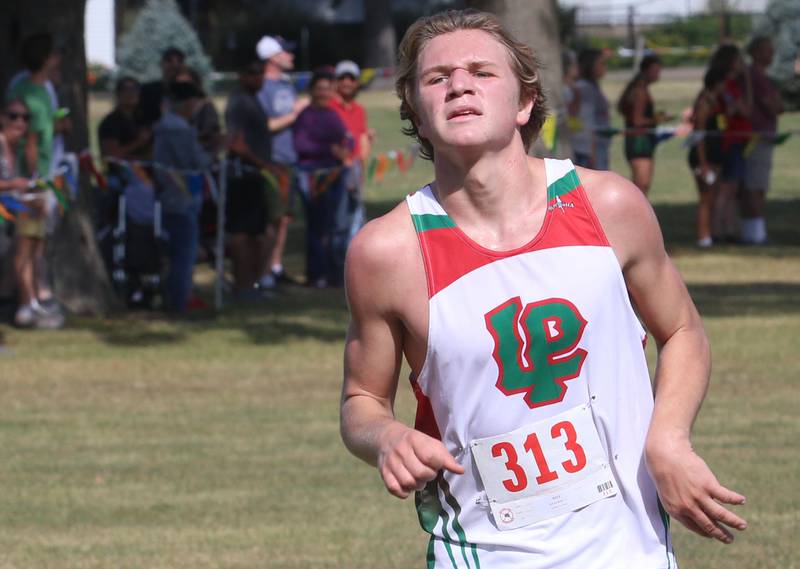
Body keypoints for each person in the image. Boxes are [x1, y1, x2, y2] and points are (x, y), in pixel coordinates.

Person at [340, 10, 747, 568]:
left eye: (482, 72)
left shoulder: (608, 206)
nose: (459, 83)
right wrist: (386, 438)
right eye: (437, 78)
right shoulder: (386, 251)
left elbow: (682, 330)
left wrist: (670, 438)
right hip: (484, 552)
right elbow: (362, 402)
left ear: (525, 102)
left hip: (631, 548)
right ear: (417, 111)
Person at [6, 33, 64, 325]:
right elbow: (30, 142)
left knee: (34, 241)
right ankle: (25, 305)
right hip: (30, 179)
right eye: (54, 54)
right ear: (45, 58)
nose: (59, 58)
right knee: (26, 242)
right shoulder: (31, 94)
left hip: (36, 175)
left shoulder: (37, 90)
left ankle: (33, 299)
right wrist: (36, 183)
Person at [0, 99, 60, 329]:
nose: (19, 122)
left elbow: (28, 182)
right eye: (13, 116)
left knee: (31, 243)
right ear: (2, 117)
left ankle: (29, 303)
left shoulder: (20, 147)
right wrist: (15, 184)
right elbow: (13, 185)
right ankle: (28, 303)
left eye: (25, 118)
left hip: (12, 215)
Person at [255, 35, 308, 288]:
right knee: (272, 220)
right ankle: (262, 272)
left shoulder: (287, 86)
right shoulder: (261, 88)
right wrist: (295, 113)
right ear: (272, 57)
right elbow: (264, 126)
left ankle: (275, 267)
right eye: (286, 52)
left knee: (284, 218)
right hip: (272, 162)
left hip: (290, 160)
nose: (291, 56)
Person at [153, 81, 210, 313]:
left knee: (180, 252)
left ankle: (180, 296)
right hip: (179, 198)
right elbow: (194, 162)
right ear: (188, 103)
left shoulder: (167, 126)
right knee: (183, 254)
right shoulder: (178, 129)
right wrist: (216, 150)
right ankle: (180, 300)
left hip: (174, 197)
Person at [293, 69, 350, 288]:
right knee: (317, 227)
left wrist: (345, 149)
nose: (324, 93)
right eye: (320, 89)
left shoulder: (331, 114)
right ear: (312, 91)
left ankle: (334, 273)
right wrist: (330, 149)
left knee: (334, 226)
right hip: (312, 176)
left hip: (335, 174)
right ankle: (316, 274)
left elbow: (347, 138)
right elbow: (300, 145)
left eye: (328, 89)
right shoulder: (305, 116)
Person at [224, 59, 273, 299]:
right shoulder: (239, 102)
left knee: (257, 234)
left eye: (260, 73)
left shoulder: (252, 99)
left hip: (254, 176)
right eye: (252, 72)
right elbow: (235, 143)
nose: (258, 77)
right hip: (242, 176)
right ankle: (242, 286)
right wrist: (265, 165)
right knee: (242, 235)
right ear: (241, 75)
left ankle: (252, 286)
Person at [741, 36, 783, 245]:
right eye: (768, 50)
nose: (772, 54)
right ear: (756, 52)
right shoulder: (756, 76)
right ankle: (755, 233)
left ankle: (754, 230)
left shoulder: (761, 76)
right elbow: (774, 106)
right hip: (756, 139)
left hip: (763, 138)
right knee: (755, 185)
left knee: (759, 184)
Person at [710, 44, 752, 243]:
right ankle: (721, 231)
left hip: (732, 142)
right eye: (738, 60)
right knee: (727, 190)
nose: (742, 64)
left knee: (728, 190)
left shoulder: (727, 85)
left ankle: (727, 229)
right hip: (730, 142)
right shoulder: (729, 86)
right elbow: (745, 110)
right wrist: (749, 81)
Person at [330, 60, 371, 246]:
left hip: (354, 172)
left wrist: (359, 171)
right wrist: (346, 164)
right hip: (335, 173)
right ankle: (335, 271)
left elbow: (362, 140)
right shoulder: (329, 108)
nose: (347, 82)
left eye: (351, 78)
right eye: (342, 78)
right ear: (336, 81)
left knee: (356, 223)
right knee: (337, 224)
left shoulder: (359, 110)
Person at [688, 67, 726, 249]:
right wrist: (703, 163)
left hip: (714, 154)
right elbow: (699, 135)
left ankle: (708, 234)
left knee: (711, 197)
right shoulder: (705, 103)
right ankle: (703, 238)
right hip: (704, 157)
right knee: (706, 197)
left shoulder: (715, 101)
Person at [618, 55, 664, 195]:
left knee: (641, 184)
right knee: (642, 184)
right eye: (655, 70)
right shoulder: (640, 91)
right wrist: (656, 120)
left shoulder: (638, 88)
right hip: (639, 141)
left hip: (639, 140)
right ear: (645, 70)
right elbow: (637, 120)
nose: (658, 74)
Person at [571, 48, 610, 170]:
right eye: (601, 64)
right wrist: (591, 151)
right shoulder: (584, 88)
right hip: (590, 147)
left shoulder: (592, 87)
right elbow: (587, 120)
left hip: (598, 145)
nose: (605, 67)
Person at [138, 47, 186, 128]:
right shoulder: (148, 91)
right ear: (161, 64)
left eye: (179, 61)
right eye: (169, 61)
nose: (174, 65)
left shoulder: (189, 92)